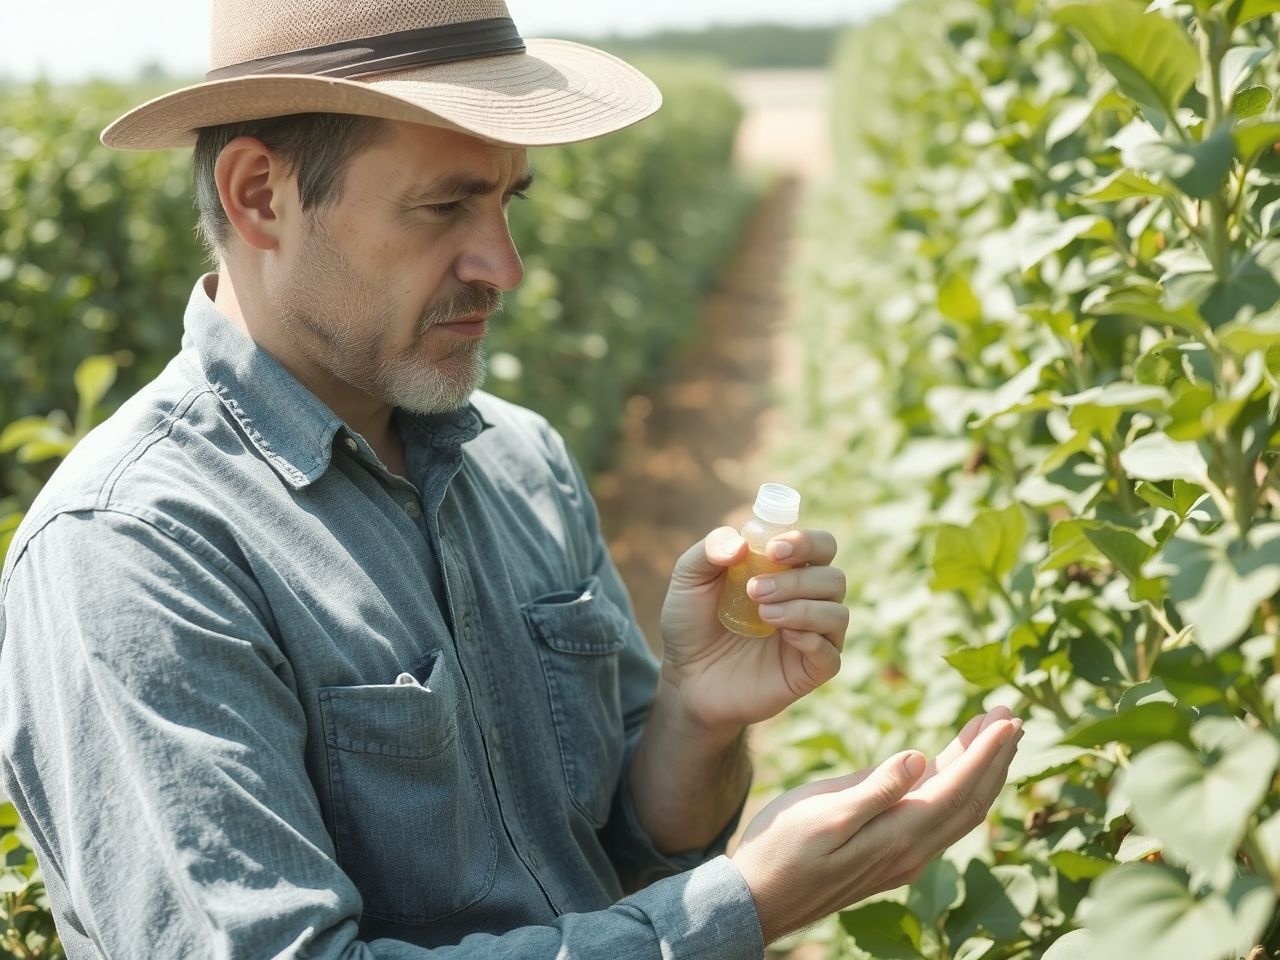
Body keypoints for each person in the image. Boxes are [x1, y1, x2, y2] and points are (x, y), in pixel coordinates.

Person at [0, 1, 1023, 957]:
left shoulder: (519, 459)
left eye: (504, 201)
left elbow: (623, 853)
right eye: (444, 206)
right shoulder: (134, 548)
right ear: (260, 196)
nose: (504, 264)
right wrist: (746, 905)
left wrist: (694, 716)